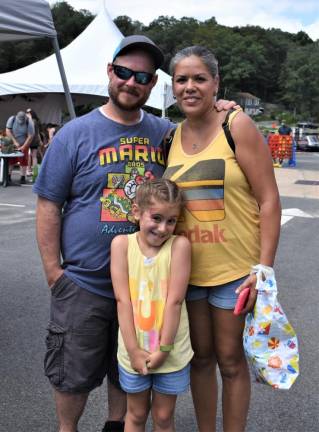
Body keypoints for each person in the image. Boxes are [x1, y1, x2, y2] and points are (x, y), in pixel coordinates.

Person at [33, 34, 236, 432]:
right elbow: (47, 204)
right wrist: (54, 274)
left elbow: (205, 127)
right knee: (73, 372)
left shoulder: (166, 133)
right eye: (124, 72)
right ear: (110, 72)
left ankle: (115, 425)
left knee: (128, 371)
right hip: (84, 282)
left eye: (142, 77)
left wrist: (222, 107)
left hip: (149, 284)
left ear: (152, 84)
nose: (132, 82)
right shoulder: (76, 134)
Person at [164, 46, 281, 432]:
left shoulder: (237, 125)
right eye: (182, 79)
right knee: (200, 359)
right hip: (189, 272)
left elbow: (268, 200)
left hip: (235, 272)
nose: (190, 87)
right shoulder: (170, 137)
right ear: (173, 87)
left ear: (216, 83)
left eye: (200, 78)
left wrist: (263, 268)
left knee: (230, 361)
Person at [111, 178, 193, 432]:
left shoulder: (179, 246)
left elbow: (175, 301)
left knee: (164, 416)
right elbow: (122, 301)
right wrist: (134, 350)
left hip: (172, 351)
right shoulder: (121, 245)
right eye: (156, 218)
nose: (163, 228)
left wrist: (165, 349)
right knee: (135, 415)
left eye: (171, 221)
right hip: (133, 350)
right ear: (136, 212)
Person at [6, 110, 34, 184]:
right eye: (20, 120)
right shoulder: (12, 119)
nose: (21, 121)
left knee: (23, 161)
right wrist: (15, 142)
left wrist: (24, 146)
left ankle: (22, 177)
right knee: (11, 160)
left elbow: (30, 136)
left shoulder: (29, 122)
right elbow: (8, 131)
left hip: (24, 143)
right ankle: (8, 176)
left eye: (22, 120)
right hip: (12, 144)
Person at [26, 108, 43, 179]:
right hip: (35, 141)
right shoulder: (35, 121)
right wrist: (40, 141)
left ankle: (29, 170)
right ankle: (32, 171)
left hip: (31, 141)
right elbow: (38, 132)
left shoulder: (32, 121)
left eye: (28, 113)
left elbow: (33, 130)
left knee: (31, 156)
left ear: (31, 114)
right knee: (33, 156)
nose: (26, 114)